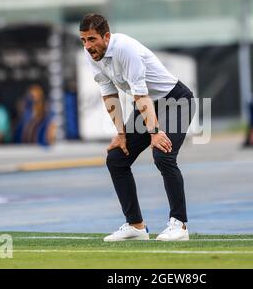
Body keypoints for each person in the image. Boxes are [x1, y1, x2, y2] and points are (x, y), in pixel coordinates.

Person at [80, 13, 195, 242]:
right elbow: (109, 94)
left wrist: (154, 132)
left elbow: (141, 95)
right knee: (116, 158)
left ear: (106, 36)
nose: (88, 46)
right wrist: (121, 134)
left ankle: (179, 225)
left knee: (163, 154)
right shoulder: (92, 55)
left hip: (176, 101)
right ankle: (136, 225)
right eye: (83, 40)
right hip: (150, 105)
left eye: (92, 39)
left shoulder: (125, 49)